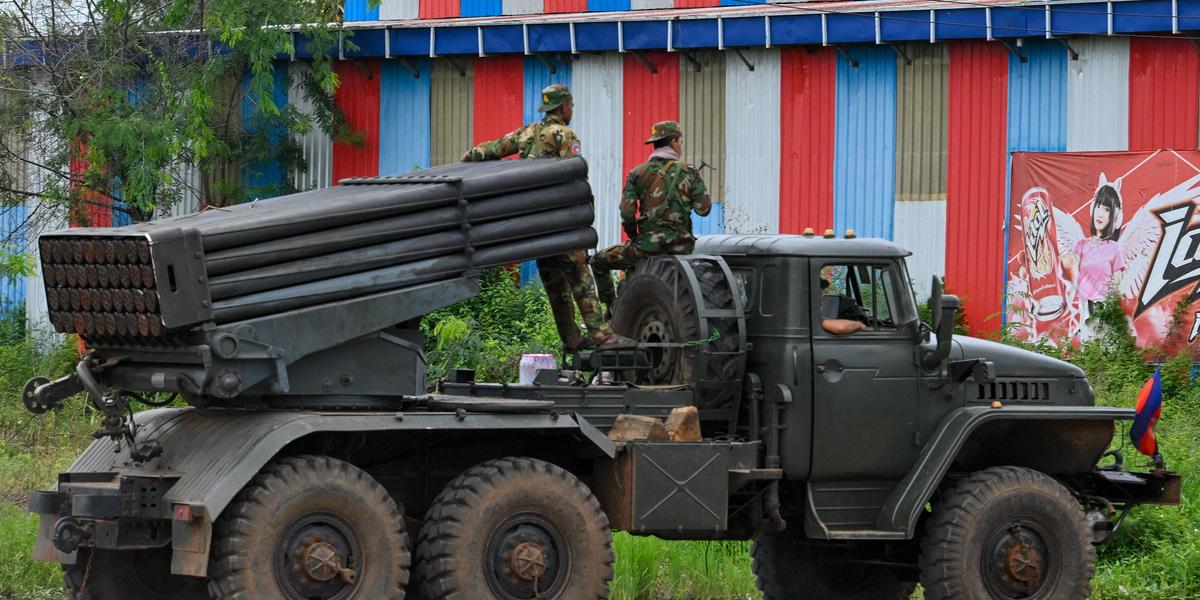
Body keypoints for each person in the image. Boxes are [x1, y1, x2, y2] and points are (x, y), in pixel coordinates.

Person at [462, 83, 633, 352]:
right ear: (564, 107)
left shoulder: (525, 133)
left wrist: (470, 156)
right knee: (580, 278)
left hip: (536, 225)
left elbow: (492, 149)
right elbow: (576, 176)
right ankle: (603, 337)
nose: (571, 111)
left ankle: (571, 339)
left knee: (555, 284)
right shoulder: (564, 135)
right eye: (571, 106)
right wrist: (584, 218)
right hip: (562, 221)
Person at [590, 121, 712, 308]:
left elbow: (627, 214)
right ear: (674, 143)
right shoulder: (689, 171)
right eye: (680, 142)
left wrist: (635, 237)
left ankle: (612, 307)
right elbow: (704, 210)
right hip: (682, 246)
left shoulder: (637, 174)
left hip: (647, 248)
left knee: (598, 261)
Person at [819, 268, 867, 335]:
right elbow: (840, 327)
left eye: (822, 289)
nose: (822, 292)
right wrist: (860, 324)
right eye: (820, 288)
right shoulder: (806, 314)